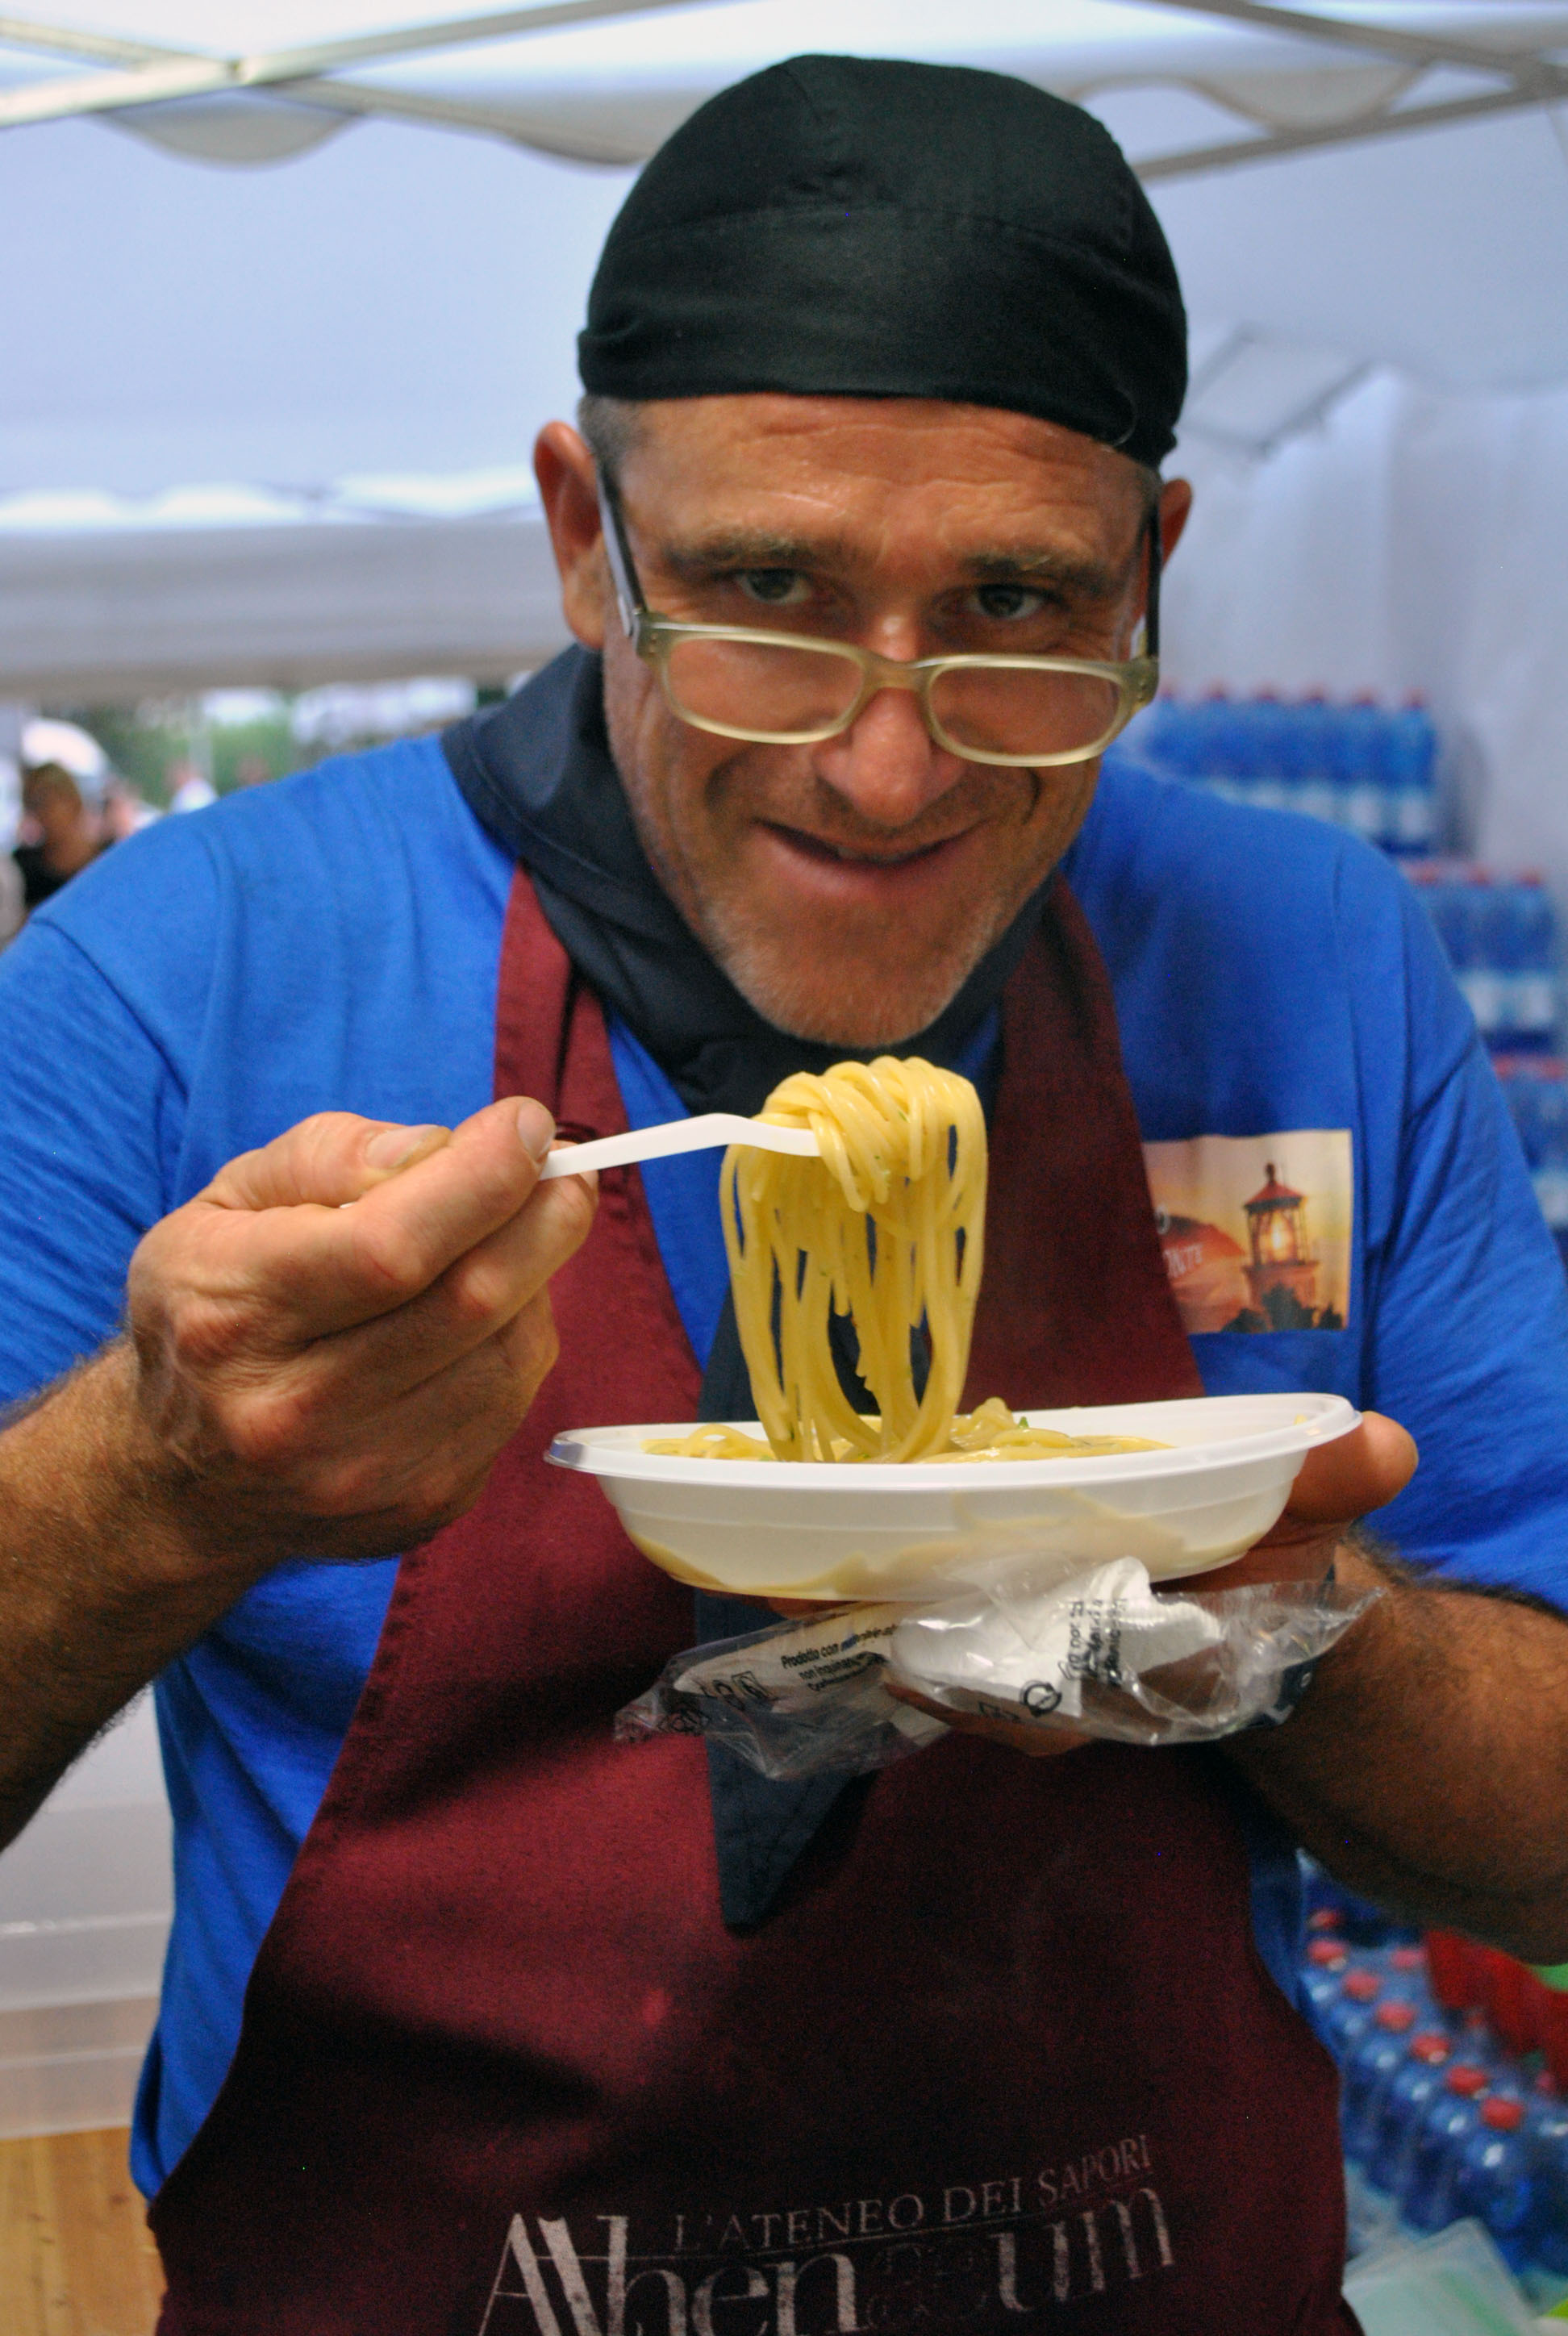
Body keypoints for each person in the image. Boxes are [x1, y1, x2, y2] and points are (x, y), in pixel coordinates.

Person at [0, 55, 1565, 2333]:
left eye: (1017, 602)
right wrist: (152, 1486)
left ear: (1151, 573)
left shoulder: (1307, 955)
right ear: (581, 537)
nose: (888, 761)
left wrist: (1298, 1628)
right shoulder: (185, 973)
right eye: (765, 588)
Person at [12, 759, 107, 910]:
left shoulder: (107, 861)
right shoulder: (23, 867)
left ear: (74, 802)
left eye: (47, 800)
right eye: (33, 804)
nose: (42, 813)